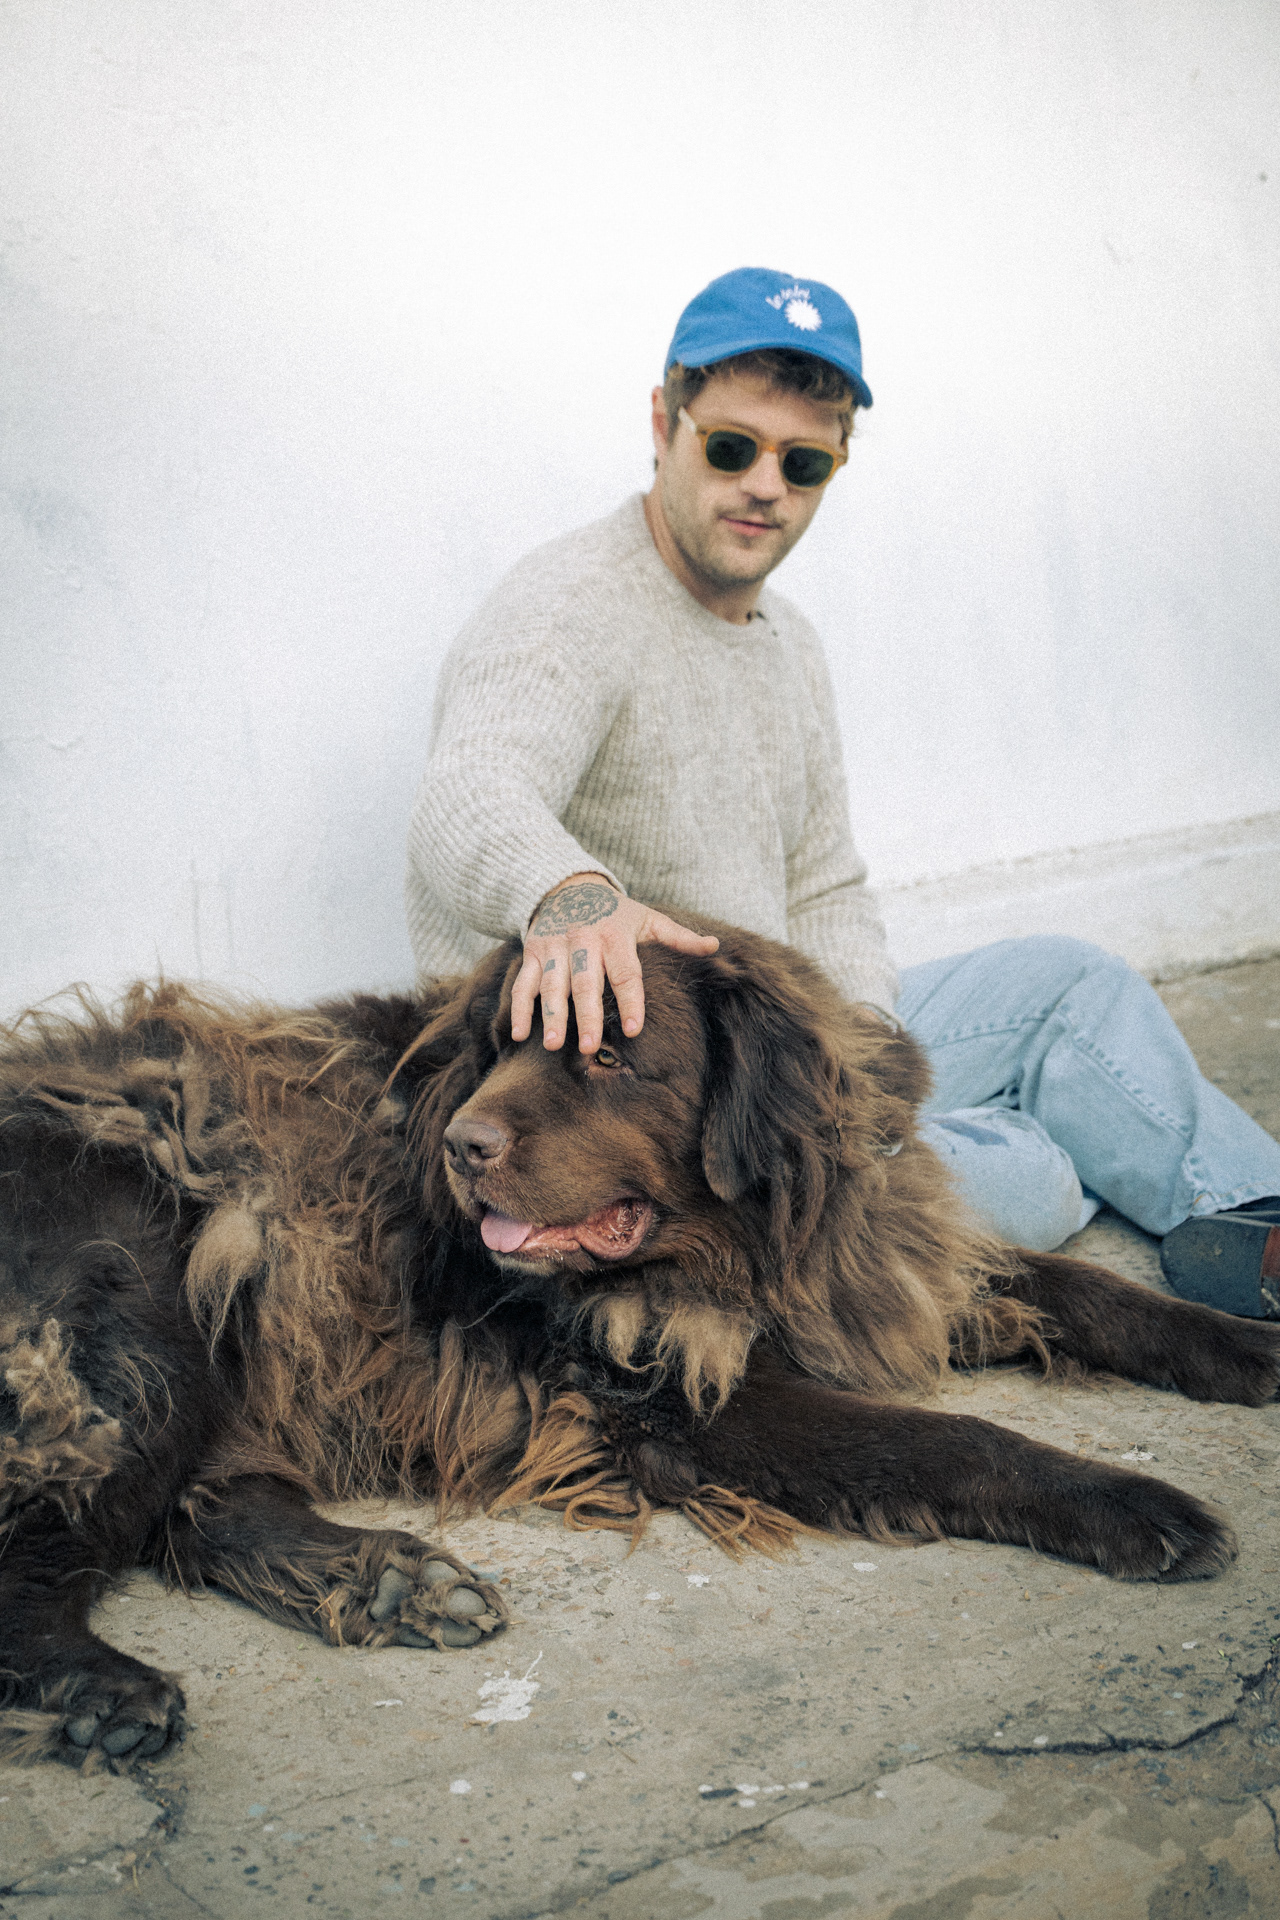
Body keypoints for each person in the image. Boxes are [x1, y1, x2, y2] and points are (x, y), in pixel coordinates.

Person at [406, 266, 1280, 1316]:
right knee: (1038, 1181)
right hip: (605, 1088)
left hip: (761, 1044)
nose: (764, 485)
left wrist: (859, 1051)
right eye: (731, 446)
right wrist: (571, 899)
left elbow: (825, 885)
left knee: (1074, 984)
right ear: (664, 424)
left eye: (803, 461)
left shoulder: (790, 645)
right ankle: (1055, 1156)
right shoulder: (569, 605)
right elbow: (468, 793)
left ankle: (1255, 1224)